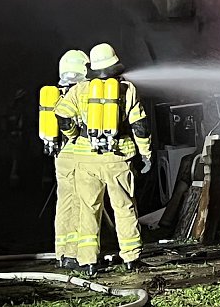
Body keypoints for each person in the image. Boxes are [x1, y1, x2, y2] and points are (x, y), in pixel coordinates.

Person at [54, 43, 152, 276]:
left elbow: (63, 116)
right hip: (118, 158)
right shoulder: (127, 89)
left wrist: (75, 136)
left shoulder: (79, 90)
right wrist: (146, 153)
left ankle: (88, 261)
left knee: (88, 209)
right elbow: (140, 126)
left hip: (86, 160)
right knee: (124, 207)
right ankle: (131, 258)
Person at [44, 49, 90, 269]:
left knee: (64, 203)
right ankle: (75, 255)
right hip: (76, 152)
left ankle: (61, 253)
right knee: (81, 203)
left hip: (60, 155)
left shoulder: (55, 93)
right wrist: (75, 136)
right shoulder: (80, 93)